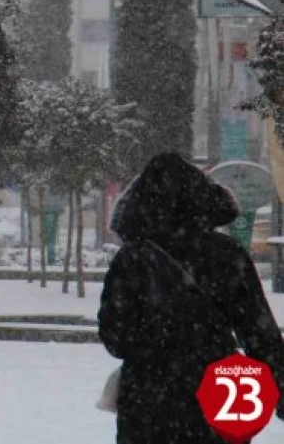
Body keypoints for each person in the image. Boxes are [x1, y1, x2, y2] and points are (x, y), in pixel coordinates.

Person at [98, 153, 284, 444]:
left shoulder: (132, 259)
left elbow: (115, 339)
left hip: (148, 403)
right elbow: (260, 332)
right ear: (203, 200)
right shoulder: (227, 254)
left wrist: (157, 343)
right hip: (220, 396)